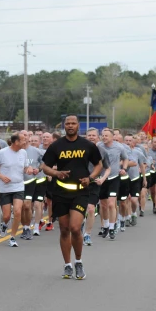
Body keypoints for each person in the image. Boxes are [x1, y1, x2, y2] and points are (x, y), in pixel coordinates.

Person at [40, 115, 103, 279]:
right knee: (64, 229)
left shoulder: (87, 145)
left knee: (75, 228)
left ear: (78, 126)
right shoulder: (56, 146)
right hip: (61, 192)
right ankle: (67, 265)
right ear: (64, 126)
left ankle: (79, 261)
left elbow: (99, 165)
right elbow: (44, 166)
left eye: (73, 123)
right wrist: (56, 173)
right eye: (67, 123)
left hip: (80, 191)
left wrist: (90, 178)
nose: (70, 126)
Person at [0, 131, 28, 247]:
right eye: (22, 140)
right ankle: (4, 224)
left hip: (18, 186)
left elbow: (25, 167)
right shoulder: (3, 153)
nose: (25, 141)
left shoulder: (23, 153)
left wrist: (30, 169)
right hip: (5, 188)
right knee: (6, 216)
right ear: (16, 142)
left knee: (17, 211)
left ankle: (12, 237)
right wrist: (1, 176)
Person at [96, 128, 128, 239]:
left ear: (112, 137)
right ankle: (105, 226)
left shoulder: (119, 146)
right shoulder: (98, 146)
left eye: (106, 135)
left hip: (114, 178)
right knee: (103, 205)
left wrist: (124, 168)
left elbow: (125, 158)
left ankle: (112, 227)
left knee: (111, 204)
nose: (104, 137)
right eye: (102, 135)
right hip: (101, 178)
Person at [22, 133, 46, 239]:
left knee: (37, 204)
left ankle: (36, 227)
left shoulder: (37, 151)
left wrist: (39, 169)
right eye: (32, 141)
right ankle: (27, 225)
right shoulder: (18, 151)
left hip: (40, 180)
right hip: (26, 182)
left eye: (35, 141)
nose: (33, 142)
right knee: (27, 206)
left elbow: (44, 162)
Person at [40, 132, 56, 231]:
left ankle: (50, 222)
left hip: (52, 177)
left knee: (50, 200)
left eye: (47, 137)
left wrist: (51, 171)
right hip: (40, 177)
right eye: (44, 137)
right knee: (39, 200)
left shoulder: (55, 148)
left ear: (51, 139)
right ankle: (40, 220)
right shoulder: (38, 149)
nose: (45, 139)